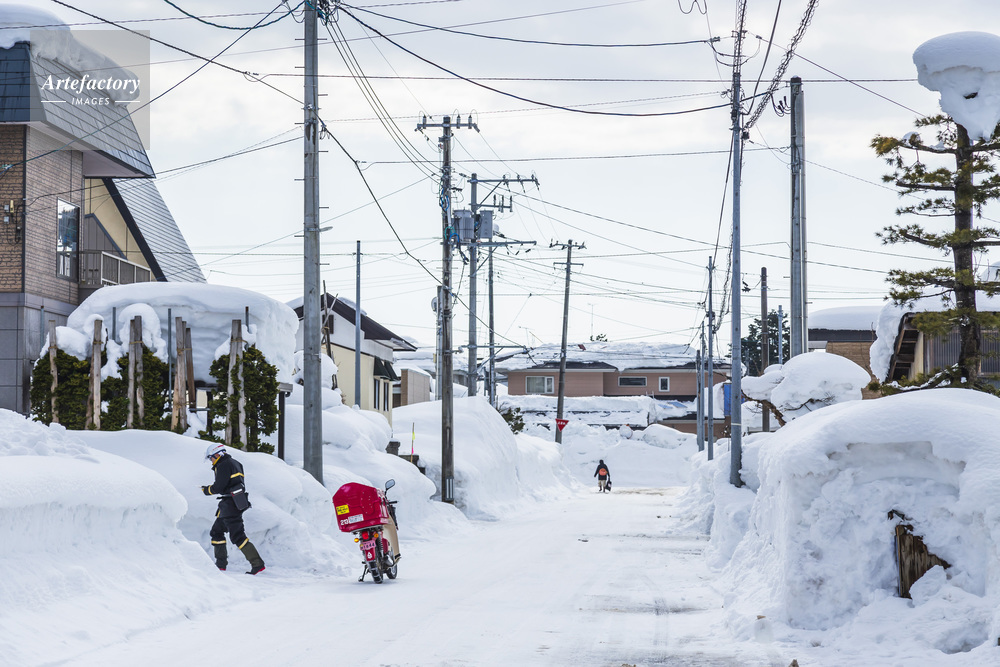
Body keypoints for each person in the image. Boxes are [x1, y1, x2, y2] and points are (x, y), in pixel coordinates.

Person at [202, 442, 266, 574]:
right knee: (216, 531)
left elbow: (219, 487)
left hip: (229, 506)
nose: (211, 461)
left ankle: (257, 564)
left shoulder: (224, 465)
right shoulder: (236, 463)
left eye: (211, 457)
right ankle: (220, 564)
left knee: (238, 536)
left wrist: (207, 490)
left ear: (217, 454)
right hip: (233, 503)